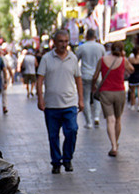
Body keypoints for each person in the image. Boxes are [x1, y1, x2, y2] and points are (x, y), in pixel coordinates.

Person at [37, 30, 84, 173]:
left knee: (72, 131)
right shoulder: (46, 58)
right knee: (53, 136)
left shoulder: (73, 58)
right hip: (51, 105)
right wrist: (40, 99)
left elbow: (78, 79)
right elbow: (39, 80)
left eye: (66, 41)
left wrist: (81, 99)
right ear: (54, 42)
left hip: (70, 103)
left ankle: (67, 159)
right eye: (61, 41)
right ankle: (56, 162)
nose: (64, 44)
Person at [92, 40, 133, 156]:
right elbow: (132, 70)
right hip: (119, 92)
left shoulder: (102, 60)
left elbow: (95, 76)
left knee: (110, 120)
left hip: (106, 92)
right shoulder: (123, 60)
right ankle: (115, 143)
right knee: (118, 119)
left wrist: (93, 86)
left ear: (111, 49)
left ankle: (113, 145)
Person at [76, 29, 105, 128]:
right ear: (95, 36)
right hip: (98, 75)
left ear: (86, 36)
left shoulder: (82, 47)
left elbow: (75, 60)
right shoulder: (100, 47)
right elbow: (104, 61)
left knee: (86, 98)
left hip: (85, 75)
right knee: (97, 97)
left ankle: (88, 122)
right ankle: (96, 117)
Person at [127, 46, 139, 112]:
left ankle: (132, 105)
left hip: (133, 75)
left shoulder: (130, 58)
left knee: (132, 91)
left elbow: (129, 66)